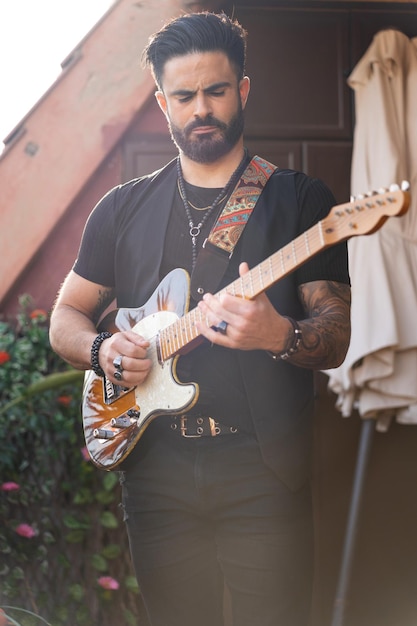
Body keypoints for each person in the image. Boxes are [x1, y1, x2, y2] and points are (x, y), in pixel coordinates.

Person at [49, 11, 351, 626]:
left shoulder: (300, 200)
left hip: (262, 468)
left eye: (216, 91)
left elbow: (337, 333)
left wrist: (280, 335)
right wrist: (105, 349)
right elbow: (66, 317)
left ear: (243, 89)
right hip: (154, 469)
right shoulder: (121, 209)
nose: (201, 108)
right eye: (184, 96)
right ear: (162, 102)